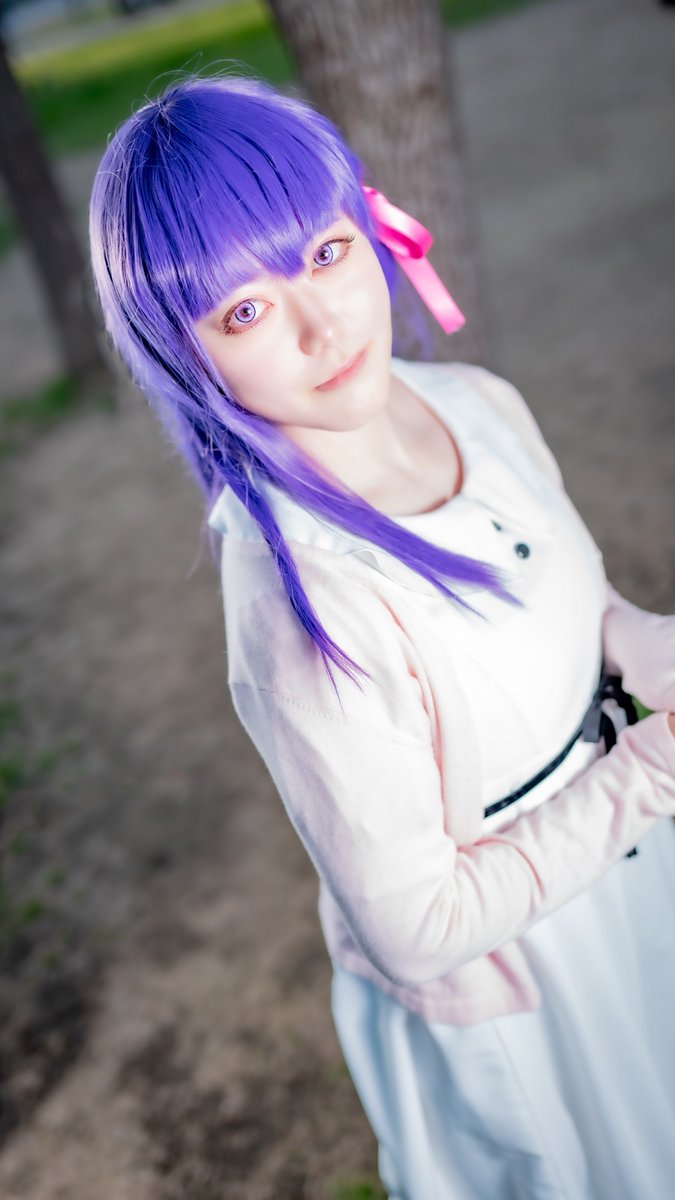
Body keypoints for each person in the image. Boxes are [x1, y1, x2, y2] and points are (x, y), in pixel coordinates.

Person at [88, 72, 675, 1199]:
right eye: (244, 311)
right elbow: (421, 926)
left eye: (324, 252)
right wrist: (649, 773)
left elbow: (570, 599)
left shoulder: (472, 401)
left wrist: (641, 642)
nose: (323, 325)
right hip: (538, 980)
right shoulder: (304, 610)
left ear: (372, 224)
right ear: (183, 356)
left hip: (632, 875)